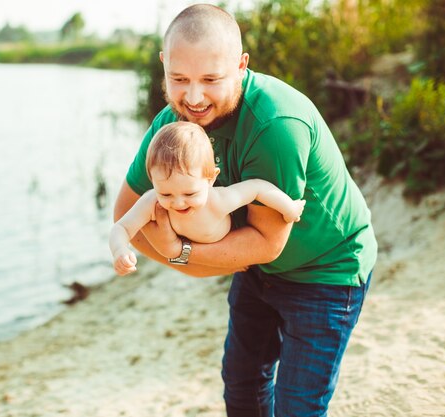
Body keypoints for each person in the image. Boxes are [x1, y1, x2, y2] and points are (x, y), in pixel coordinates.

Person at [113, 4, 378, 417]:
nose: (194, 97)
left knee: (298, 407)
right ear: (164, 64)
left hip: (326, 270)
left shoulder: (275, 124)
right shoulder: (173, 127)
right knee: (242, 389)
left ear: (240, 65)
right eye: (179, 79)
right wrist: (189, 253)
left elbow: (265, 243)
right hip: (255, 274)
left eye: (211, 79)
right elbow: (125, 214)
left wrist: (175, 249)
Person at [110, 121, 305, 276]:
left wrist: (289, 208)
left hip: (229, 242)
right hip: (195, 253)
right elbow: (121, 227)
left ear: (211, 179)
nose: (178, 203)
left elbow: (257, 188)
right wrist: (120, 249)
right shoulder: (152, 202)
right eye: (166, 194)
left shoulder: (219, 200)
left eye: (190, 194)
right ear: (153, 181)